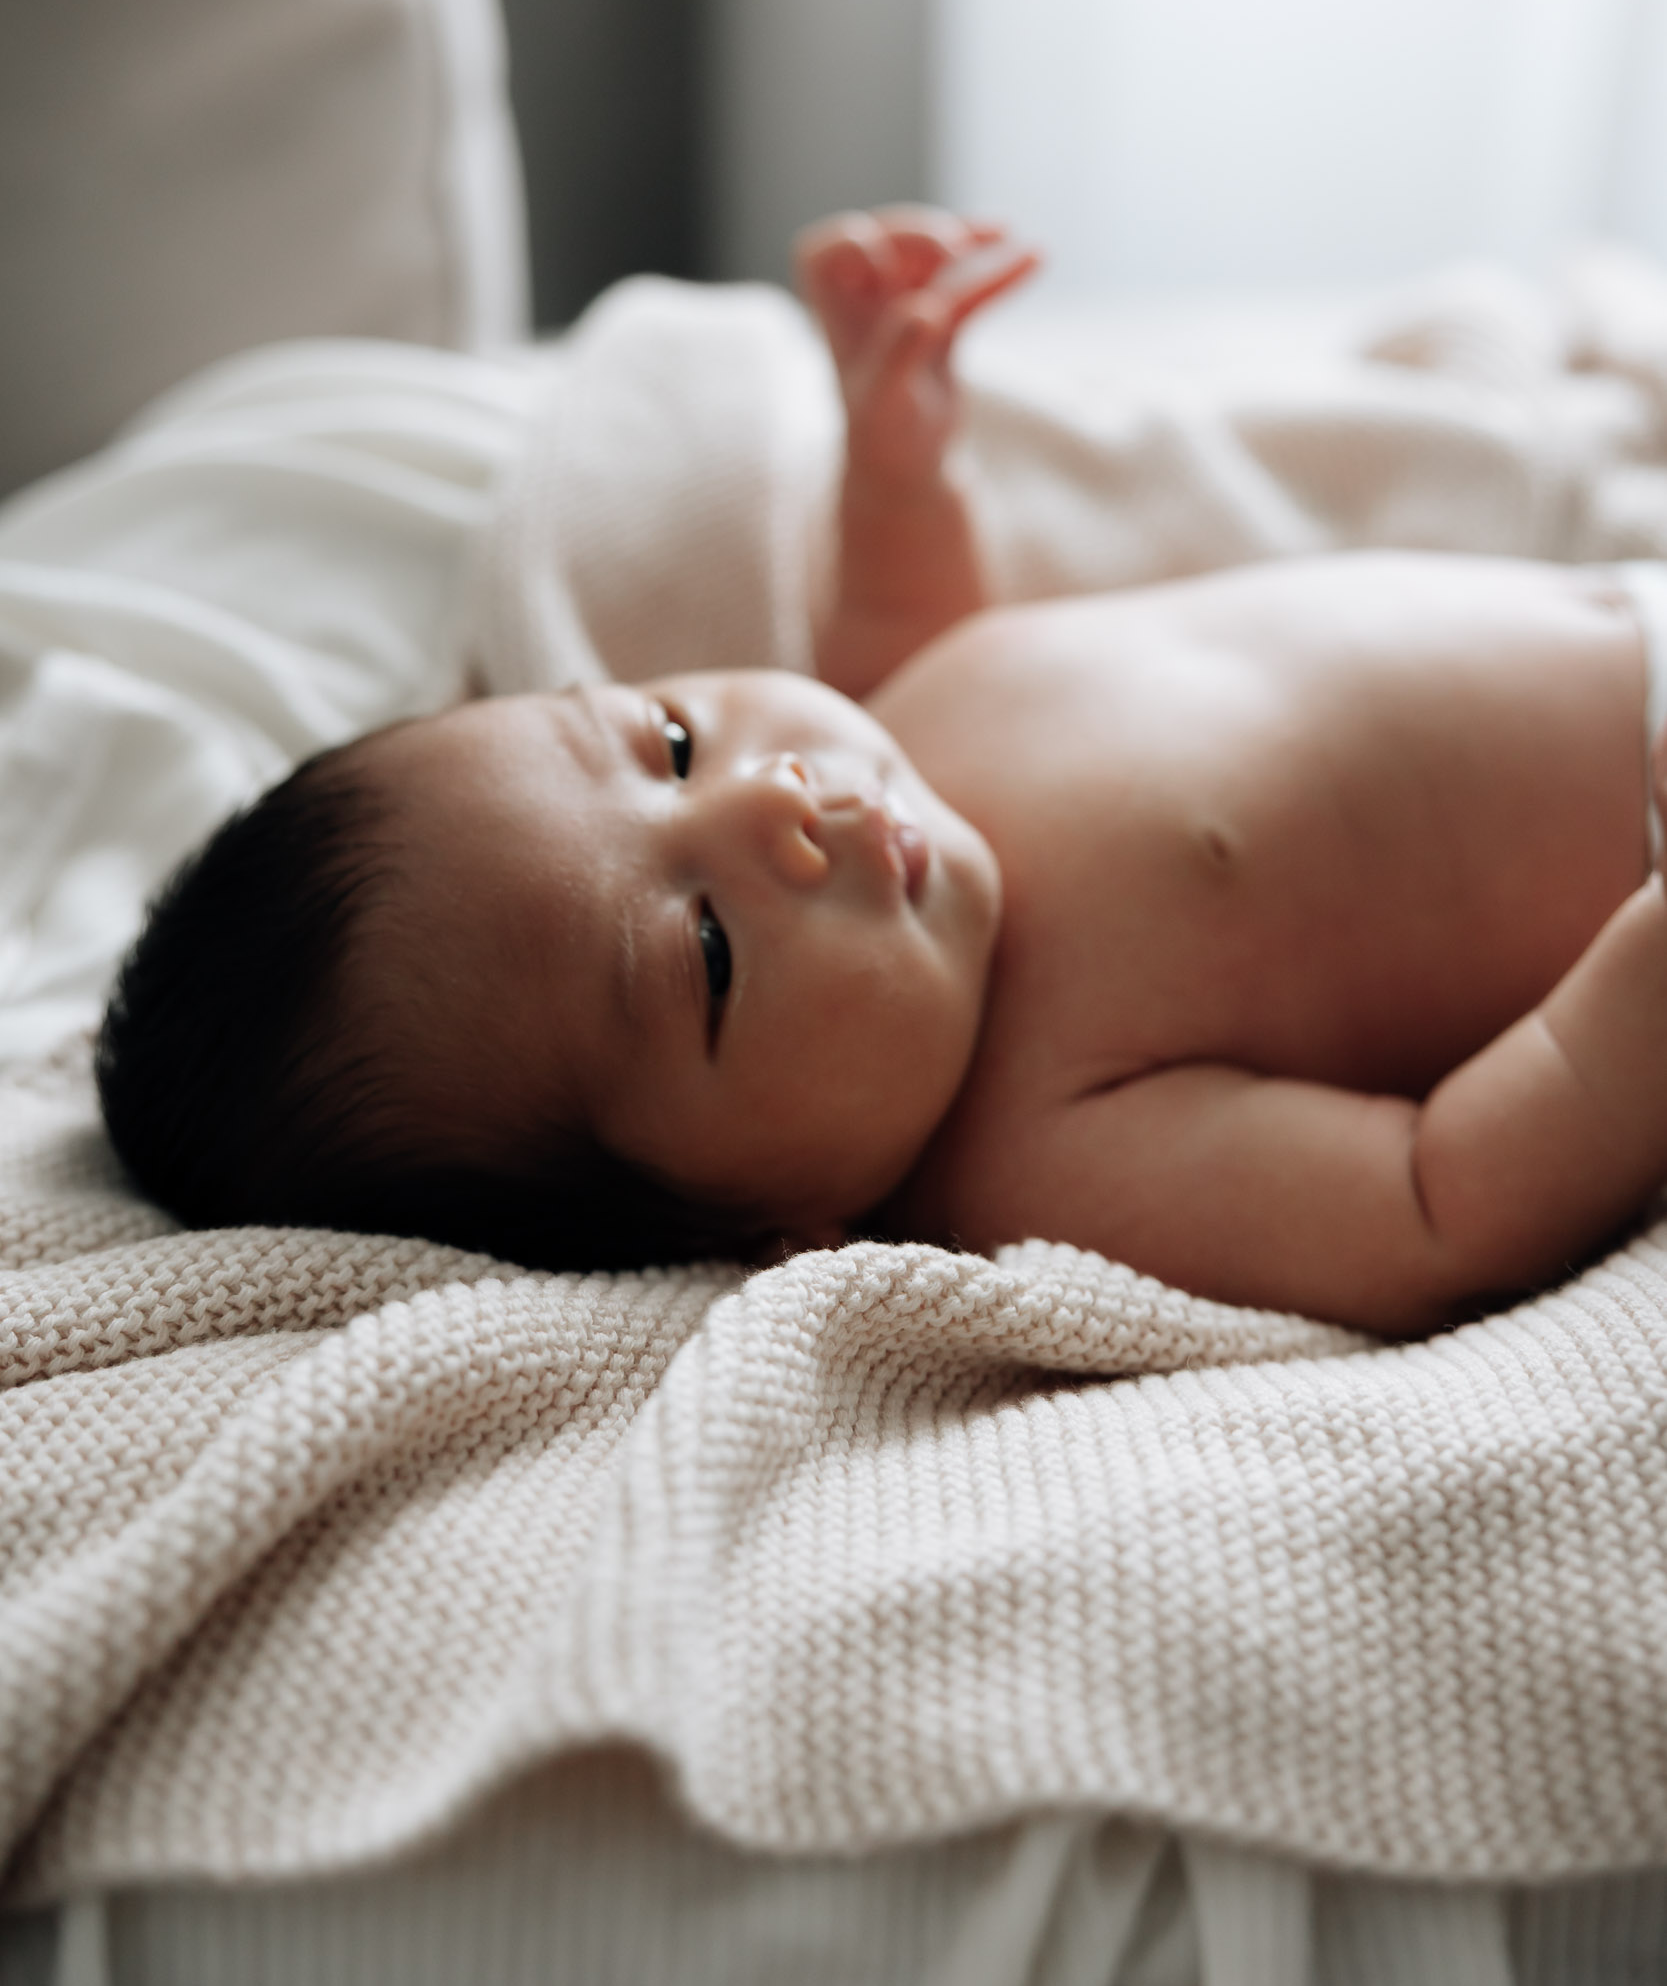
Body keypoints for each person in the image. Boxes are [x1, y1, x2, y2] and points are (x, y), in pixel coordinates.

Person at [96, 211, 1667, 1337]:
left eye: (668, 742)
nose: (765, 807)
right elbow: (1437, 1203)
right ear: (766, 1233)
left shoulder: (893, 736)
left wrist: (898, 463)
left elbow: (927, 631)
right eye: (705, 955)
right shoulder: (1046, 1145)